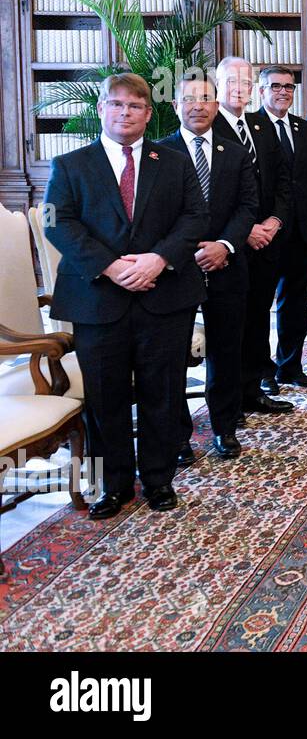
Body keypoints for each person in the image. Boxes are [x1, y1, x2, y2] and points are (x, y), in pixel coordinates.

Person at [44, 73, 207, 518]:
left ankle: (158, 481)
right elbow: (59, 223)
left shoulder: (171, 161)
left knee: (163, 391)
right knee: (105, 397)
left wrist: (158, 259)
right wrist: (112, 267)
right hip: (98, 300)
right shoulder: (71, 165)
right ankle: (112, 486)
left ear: (148, 114)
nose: (124, 113)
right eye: (116, 104)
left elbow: (195, 216)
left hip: (165, 295)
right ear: (101, 109)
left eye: (134, 106)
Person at [158, 73, 259, 462]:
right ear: (175, 105)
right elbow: (154, 217)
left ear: (217, 106)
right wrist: (182, 251)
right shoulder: (158, 154)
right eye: (189, 99)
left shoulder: (234, 153)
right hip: (176, 270)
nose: (197, 105)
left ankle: (224, 427)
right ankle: (179, 436)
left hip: (227, 264)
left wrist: (225, 245)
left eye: (205, 99)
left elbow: (248, 206)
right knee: (172, 353)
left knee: (226, 349)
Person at [212, 56, 293, 417]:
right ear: (217, 86)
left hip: (267, 242)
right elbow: (207, 196)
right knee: (231, 327)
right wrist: (245, 231)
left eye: (246, 82)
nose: (240, 88)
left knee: (259, 317)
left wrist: (274, 220)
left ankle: (254, 389)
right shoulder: (208, 128)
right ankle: (228, 406)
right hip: (231, 247)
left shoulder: (261, 127)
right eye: (232, 81)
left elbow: (282, 181)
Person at [256, 66, 307, 389]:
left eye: (288, 87)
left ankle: (290, 366)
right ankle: (261, 372)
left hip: (303, 230)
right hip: (265, 232)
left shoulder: (305, 128)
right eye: (275, 86)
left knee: (296, 302)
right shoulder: (251, 127)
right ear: (261, 91)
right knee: (259, 305)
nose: (283, 92)